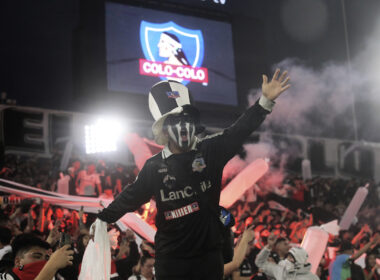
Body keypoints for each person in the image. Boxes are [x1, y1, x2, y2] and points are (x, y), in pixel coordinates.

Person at [97, 69, 291, 280]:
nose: (183, 126)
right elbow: (130, 197)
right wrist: (102, 219)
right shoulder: (154, 167)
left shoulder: (210, 150)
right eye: (175, 121)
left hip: (207, 259)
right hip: (172, 262)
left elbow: (239, 131)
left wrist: (264, 102)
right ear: (163, 129)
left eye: (186, 119)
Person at [0, 233, 73, 280]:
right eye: (37, 256)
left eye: (47, 258)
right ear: (18, 262)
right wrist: (52, 266)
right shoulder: (5, 278)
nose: (43, 262)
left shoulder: (53, 277)